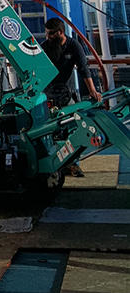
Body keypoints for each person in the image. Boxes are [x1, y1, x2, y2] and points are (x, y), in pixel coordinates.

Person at [43, 17, 101, 178]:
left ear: (60, 32)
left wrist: (93, 91)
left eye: (50, 34)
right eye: (46, 33)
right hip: (46, 94)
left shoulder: (73, 46)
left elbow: (83, 69)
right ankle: (52, 163)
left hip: (65, 93)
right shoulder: (45, 47)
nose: (47, 37)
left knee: (73, 127)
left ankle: (73, 164)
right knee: (47, 130)